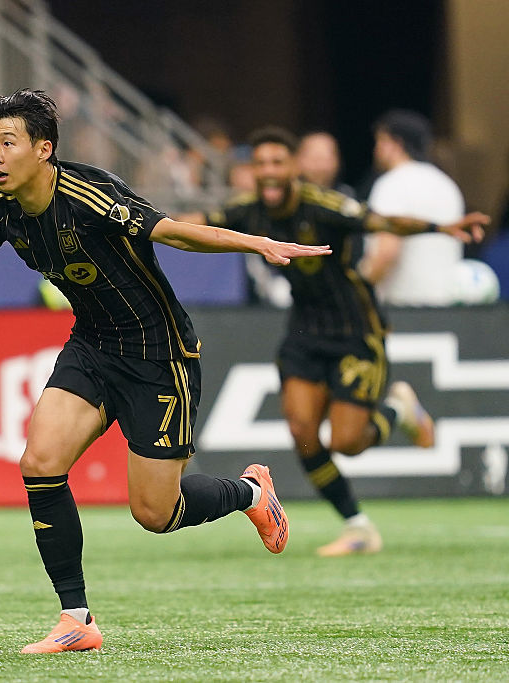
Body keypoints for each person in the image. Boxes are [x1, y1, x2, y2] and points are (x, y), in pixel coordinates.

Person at [0, 90, 335, 653]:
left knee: (155, 513)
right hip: (92, 346)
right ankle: (76, 619)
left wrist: (254, 243)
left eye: (7, 143)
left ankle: (250, 492)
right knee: (39, 462)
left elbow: (173, 231)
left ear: (44, 149)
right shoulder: (2, 209)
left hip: (158, 354)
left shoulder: (88, 195)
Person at [178, 126, 488, 556]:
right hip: (305, 332)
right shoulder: (247, 211)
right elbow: (197, 225)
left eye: (277, 162)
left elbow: (382, 221)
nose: (268, 172)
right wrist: (144, 225)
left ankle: (397, 410)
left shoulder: (322, 206)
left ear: (293, 168)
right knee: (304, 432)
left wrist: (441, 227)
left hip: (355, 330)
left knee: (347, 441)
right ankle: (357, 526)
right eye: (261, 163)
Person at [361, 109, 466, 306]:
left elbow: (386, 252)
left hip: (402, 311)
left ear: (394, 144)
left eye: (380, 142)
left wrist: (357, 294)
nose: (376, 150)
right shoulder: (447, 185)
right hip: (447, 310)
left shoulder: (392, 183)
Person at [296, 131, 356, 197]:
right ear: (297, 159)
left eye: (326, 159)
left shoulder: (346, 195)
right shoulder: (289, 194)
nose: (320, 166)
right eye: (315, 159)